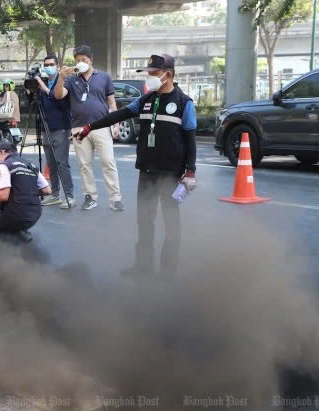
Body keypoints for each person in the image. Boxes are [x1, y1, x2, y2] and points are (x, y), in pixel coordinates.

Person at [73, 54, 197, 276]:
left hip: (170, 175)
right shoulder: (145, 101)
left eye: (153, 73)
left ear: (167, 74)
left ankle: (167, 272)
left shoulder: (183, 103)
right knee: (145, 222)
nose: (149, 76)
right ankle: (143, 267)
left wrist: (190, 171)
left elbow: (190, 139)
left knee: (171, 226)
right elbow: (119, 114)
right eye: (148, 72)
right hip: (147, 172)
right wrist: (90, 127)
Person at [55, 44, 123, 212]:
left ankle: (115, 198)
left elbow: (111, 102)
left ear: (91, 60)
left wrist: (116, 123)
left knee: (108, 162)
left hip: (101, 126)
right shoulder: (71, 79)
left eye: (83, 60)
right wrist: (61, 78)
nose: (80, 63)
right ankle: (90, 197)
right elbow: (58, 95)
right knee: (84, 165)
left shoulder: (104, 77)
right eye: (77, 60)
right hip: (78, 128)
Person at [33, 55, 76, 209]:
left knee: (62, 163)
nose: (48, 67)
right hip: (46, 127)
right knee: (51, 163)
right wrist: (31, 88)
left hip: (61, 127)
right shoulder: (44, 81)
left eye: (51, 64)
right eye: (46, 65)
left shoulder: (64, 80)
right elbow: (36, 101)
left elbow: (56, 98)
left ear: (58, 66)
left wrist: (43, 88)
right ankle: (55, 194)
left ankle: (70, 196)